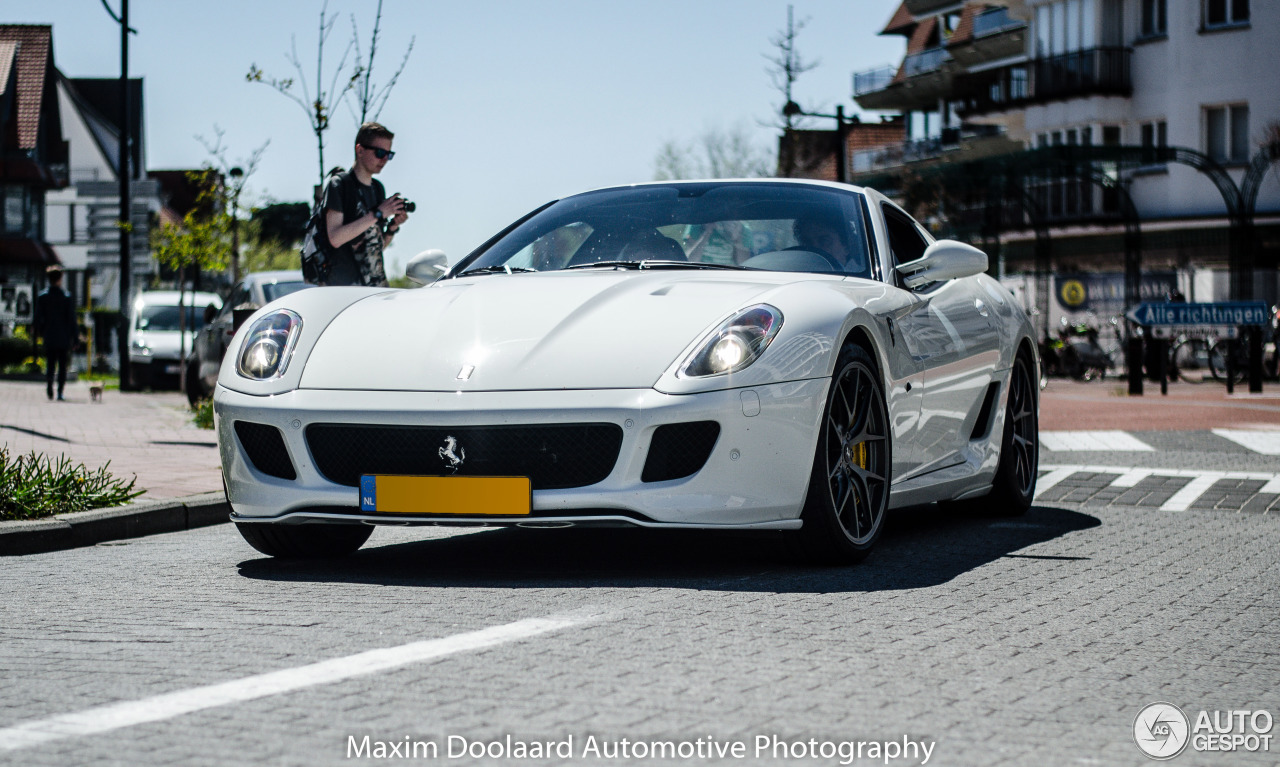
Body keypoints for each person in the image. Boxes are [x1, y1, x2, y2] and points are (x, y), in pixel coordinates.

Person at [321, 122, 410, 286]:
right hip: (343, 287)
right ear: (360, 150)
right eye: (380, 152)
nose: (384, 159)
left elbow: (375, 247)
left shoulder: (377, 188)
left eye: (389, 155)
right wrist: (377, 213)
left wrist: (392, 227)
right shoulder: (339, 184)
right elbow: (335, 238)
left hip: (374, 286)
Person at [33, 265, 75, 401]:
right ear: (60, 279)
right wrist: (75, 337)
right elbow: (71, 319)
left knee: (50, 363)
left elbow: (38, 316)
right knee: (62, 365)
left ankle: (50, 382)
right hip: (63, 336)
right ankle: (60, 392)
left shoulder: (43, 297)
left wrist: (38, 331)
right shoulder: (66, 297)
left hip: (49, 335)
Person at [793, 217, 868, 275]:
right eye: (807, 242)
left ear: (846, 247)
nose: (814, 248)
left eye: (824, 241)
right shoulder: (794, 274)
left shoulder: (862, 280)